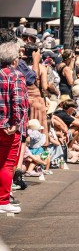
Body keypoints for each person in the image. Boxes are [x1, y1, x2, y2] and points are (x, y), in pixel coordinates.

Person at [0, 41, 29, 214]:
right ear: (13, 59)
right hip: (9, 127)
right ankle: (3, 200)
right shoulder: (15, 75)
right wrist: (16, 123)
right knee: (7, 164)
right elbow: (18, 102)